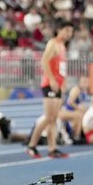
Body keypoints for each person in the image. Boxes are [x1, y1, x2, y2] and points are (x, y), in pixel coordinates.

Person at [25, 20, 74, 159]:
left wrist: (63, 82)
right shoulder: (53, 43)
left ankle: (52, 148)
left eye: (71, 31)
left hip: (58, 85)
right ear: (59, 30)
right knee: (49, 117)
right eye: (67, 30)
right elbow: (44, 61)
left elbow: (61, 67)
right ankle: (31, 145)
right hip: (49, 84)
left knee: (53, 119)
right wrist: (52, 79)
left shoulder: (62, 46)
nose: (69, 34)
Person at [59, 76, 89, 144]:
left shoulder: (83, 92)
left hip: (73, 111)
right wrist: (79, 109)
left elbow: (80, 104)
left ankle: (81, 135)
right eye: (84, 82)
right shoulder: (76, 90)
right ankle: (76, 136)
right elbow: (70, 102)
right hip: (67, 111)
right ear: (79, 83)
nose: (85, 84)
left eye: (86, 82)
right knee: (79, 115)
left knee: (84, 114)